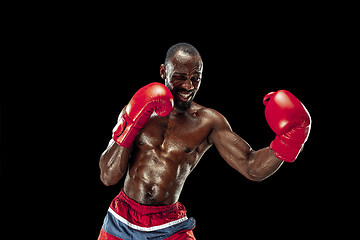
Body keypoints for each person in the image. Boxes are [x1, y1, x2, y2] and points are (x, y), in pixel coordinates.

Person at [98, 43, 311, 240]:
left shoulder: (208, 122)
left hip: (169, 225)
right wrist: (130, 124)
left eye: (196, 77)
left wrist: (290, 139)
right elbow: (108, 176)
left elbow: (251, 167)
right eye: (180, 76)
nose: (189, 85)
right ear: (164, 71)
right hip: (121, 219)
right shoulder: (138, 108)